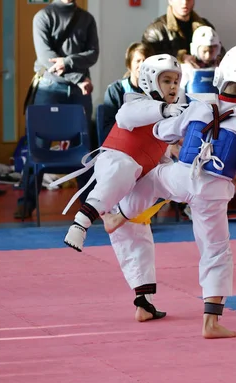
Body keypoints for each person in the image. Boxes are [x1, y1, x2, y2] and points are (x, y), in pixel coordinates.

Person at [103, 44, 236, 339]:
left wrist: (181, 127)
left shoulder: (198, 105)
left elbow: (163, 133)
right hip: (213, 191)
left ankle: (119, 214)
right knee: (216, 251)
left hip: (182, 175)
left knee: (151, 178)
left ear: (222, 72)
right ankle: (211, 323)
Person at [62, 54, 187, 252]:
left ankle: (118, 219)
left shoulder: (167, 118)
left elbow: (160, 154)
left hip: (136, 179)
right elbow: (125, 117)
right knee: (125, 168)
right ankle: (81, 222)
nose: (173, 86)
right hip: (116, 163)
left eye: (176, 82)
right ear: (151, 81)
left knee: (168, 179)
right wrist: (164, 110)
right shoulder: (135, 103)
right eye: (166, 81)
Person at [15, 0, 99, 219]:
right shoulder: (42, 17)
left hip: (79, 91)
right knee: (38, 144)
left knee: (84, 148)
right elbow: (46, 59)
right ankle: (26, 202)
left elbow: (93, 54)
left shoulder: (87, 18)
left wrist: (69, 63)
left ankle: (90, 205)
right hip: (50, 87)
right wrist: (78, 76)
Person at [142, 0, 220, 67]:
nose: (184, 2)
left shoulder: (205, 26)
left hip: (202, 79)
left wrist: (216, 56)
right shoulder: (155, 29)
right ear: (170, 0)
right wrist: (179, 57)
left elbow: (220, 50)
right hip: (170, 81)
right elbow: (148, 58)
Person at [101, 42, 154, 136]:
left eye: (145, 61)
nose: (142, 65)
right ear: (129, 65)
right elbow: (107, 127)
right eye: (138, 61)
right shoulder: (115, 90)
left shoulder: (156, 91)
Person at [180, 25, 221, 97]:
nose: (208, 56)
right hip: (191, 106)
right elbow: (179, 92)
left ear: (218, 50)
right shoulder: (187, 69)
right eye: (204, 51)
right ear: (195, 49)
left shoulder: (221, 69)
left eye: (211, 52)